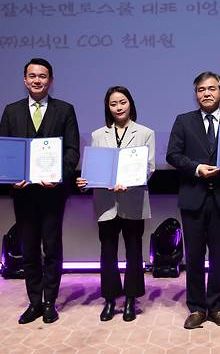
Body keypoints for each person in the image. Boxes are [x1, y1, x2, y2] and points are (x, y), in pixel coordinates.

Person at [0, 58, 80, 324]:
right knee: (29, 247)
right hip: (23, 193)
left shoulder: (65, 110)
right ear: (24, 80)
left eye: (42, 76)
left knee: (52, 245)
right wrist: (11, 177)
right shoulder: (11, 111)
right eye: (32, 76)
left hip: (53, 192)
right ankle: (34, 301)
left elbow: (72, 151)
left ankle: (49, 302)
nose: (37, 80)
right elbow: (6, 150)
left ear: (51, 80)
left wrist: (59, 176)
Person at [166, 72, 220, 330]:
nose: (206, 93)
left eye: (212, 88)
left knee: (219, 256)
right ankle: (197, 308)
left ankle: (217, 307)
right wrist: (197, 168)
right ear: (196, 93)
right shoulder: (183, 121)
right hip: (193, 198)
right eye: (201, 89)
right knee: (195, 256)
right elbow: (173, 155)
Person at [76, 86, 155, 322]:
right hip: (106, 202)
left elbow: (149, 167)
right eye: (113, 104)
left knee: (133, 251)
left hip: (133, 199)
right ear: (107, 108)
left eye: (122, 102)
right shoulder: (98, 134)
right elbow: (95, 167)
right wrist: (86, 180)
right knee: (107, 252)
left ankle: (131, 299)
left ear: (130, 103)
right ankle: (110, 299)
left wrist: (128, 183)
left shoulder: (145, 132)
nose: (119, 107)